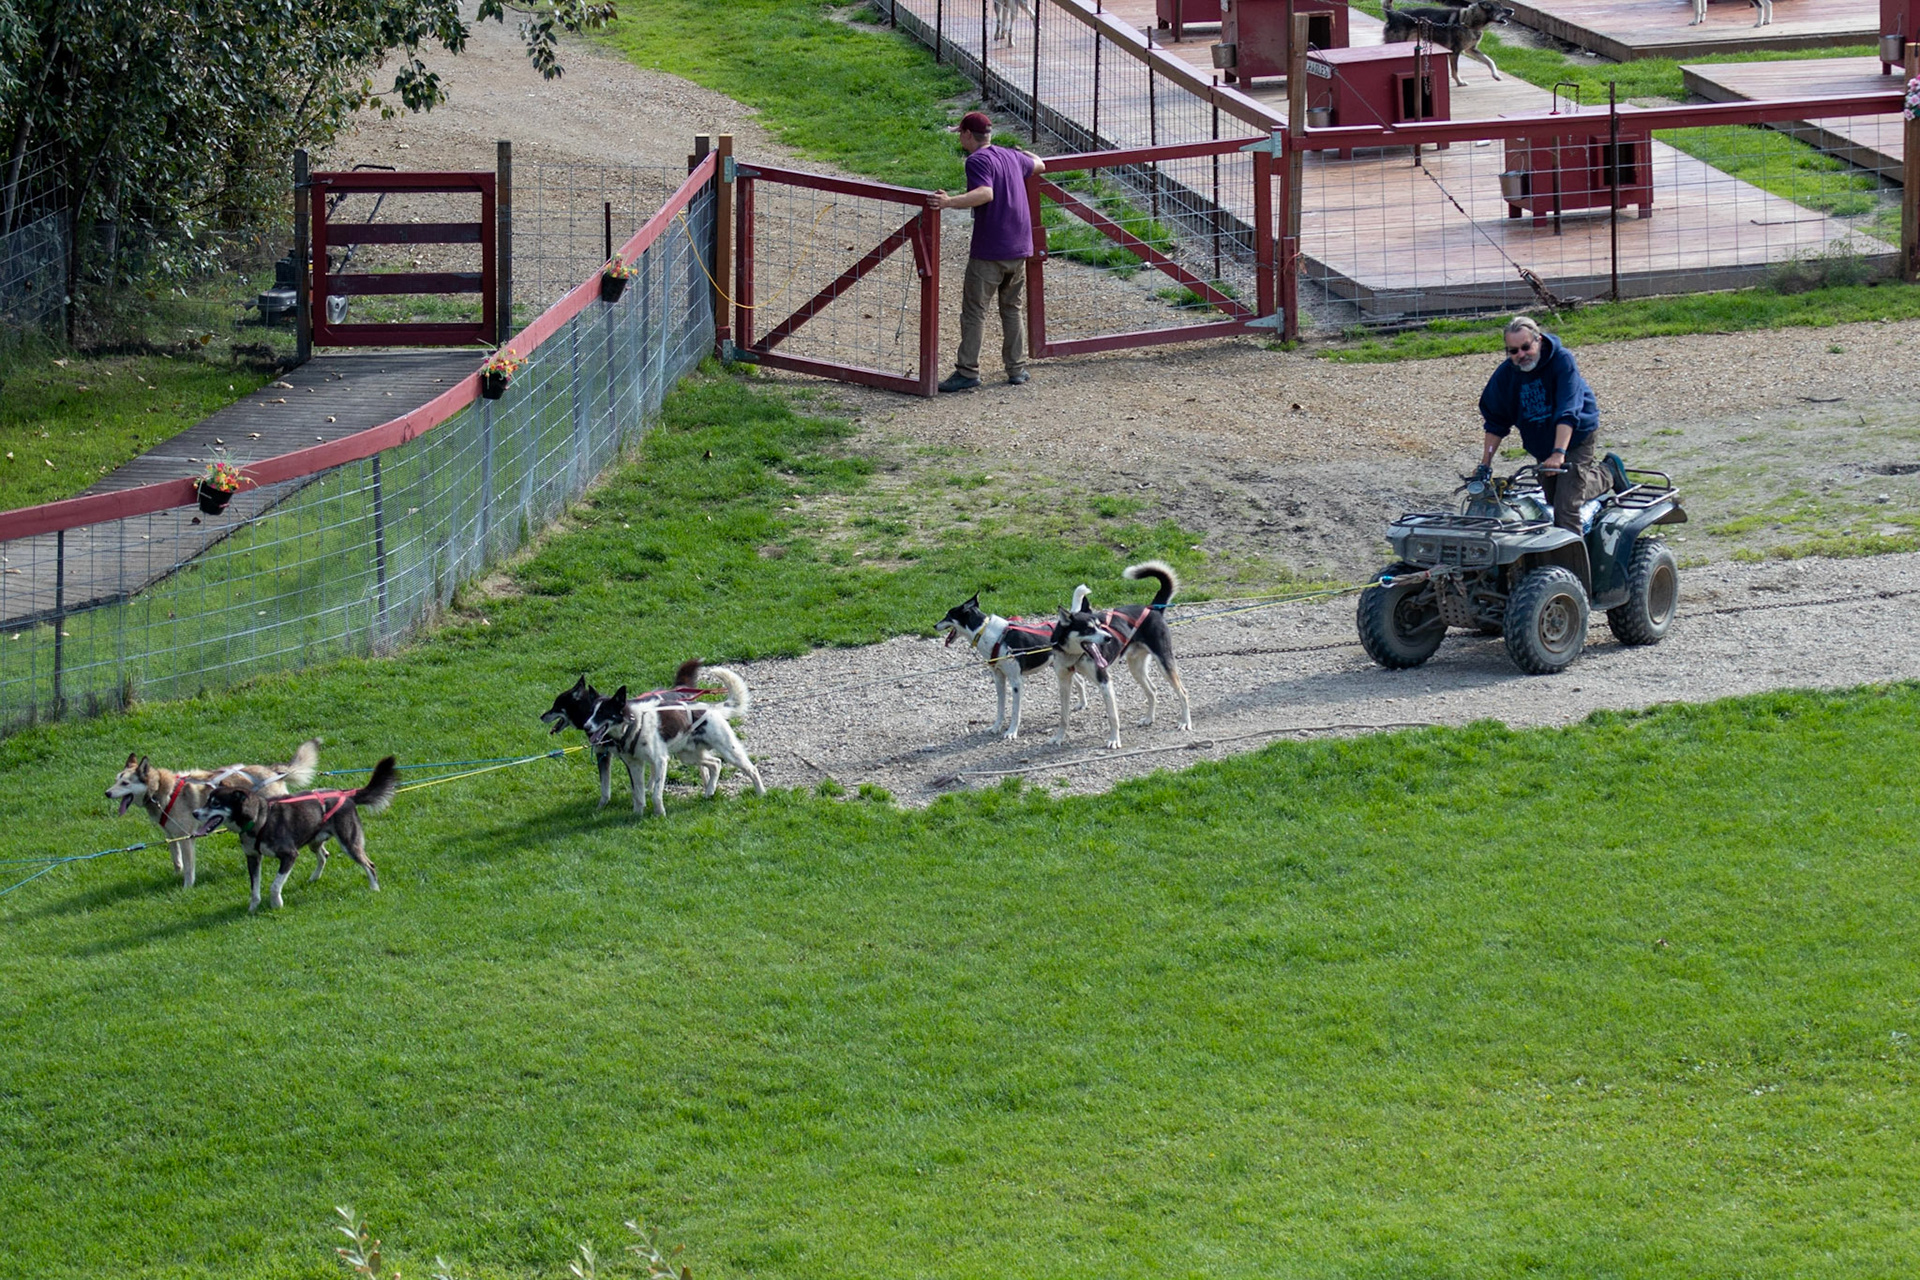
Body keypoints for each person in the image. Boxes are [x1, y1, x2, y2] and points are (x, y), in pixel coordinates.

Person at [932, 111, 1045, 392]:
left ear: (969, 134)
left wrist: (948, 202)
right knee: (1012, 308)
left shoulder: (977, 160)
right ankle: (1016, 369)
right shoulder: (1011, 156)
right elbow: (1040, 164)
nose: (960, 137)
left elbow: (985, 193)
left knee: (975, 310)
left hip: (990, 248)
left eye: (961, 133)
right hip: (1020, 246)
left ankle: (968, 371)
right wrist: (1023, 151)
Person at [1474, 315, 1605, 533]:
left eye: (1526, 347)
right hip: (1542, 441)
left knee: (1565, 509)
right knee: (1553, 498)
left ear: (1539, 340)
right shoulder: (1506, 376)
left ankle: (1571, 565)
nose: (1521, 355)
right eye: (1513, 351)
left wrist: (1558, 453)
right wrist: (1484, 465)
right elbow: (1496, 421)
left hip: (1575, 435)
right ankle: (1604, 475)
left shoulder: (1561, 360)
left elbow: (1568, 410)